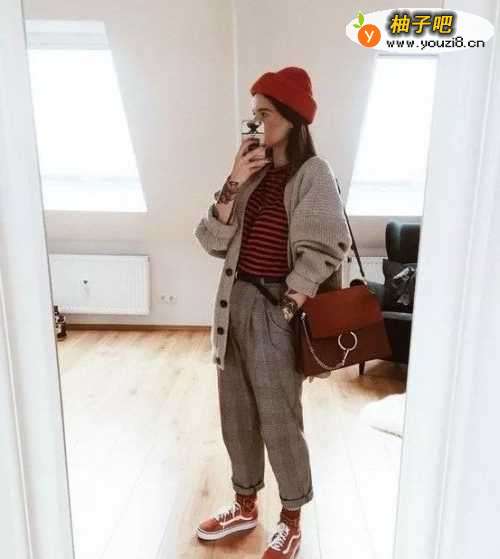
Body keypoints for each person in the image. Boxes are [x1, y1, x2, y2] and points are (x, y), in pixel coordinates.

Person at [194, 66, 352, 558]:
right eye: (254, 114)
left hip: (273, 309)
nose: (256, 122)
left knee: (280, 420)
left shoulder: (313, 174)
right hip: (233, 302)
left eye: (264, 113)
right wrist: (234, 179)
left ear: (291, 118)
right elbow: (211, 241)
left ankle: (291, 519)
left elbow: (327, 247)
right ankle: (245, 505)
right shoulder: (253, 174)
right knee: (236, 413)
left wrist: (288, 306)